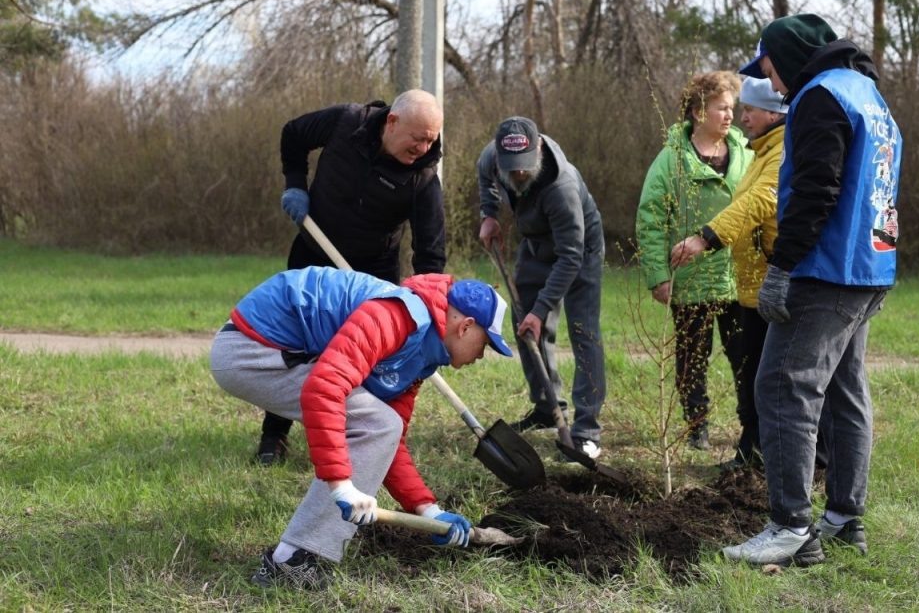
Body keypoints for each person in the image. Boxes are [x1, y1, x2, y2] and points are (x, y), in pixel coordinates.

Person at [723, 13, 902, 566]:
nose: (773, 86)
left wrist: (782, 264)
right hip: (870, 265)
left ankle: (790, 528)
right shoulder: (868, 94)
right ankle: (845, 520)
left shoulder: (820, 96)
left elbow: (815, 190)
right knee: (846, 392)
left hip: (826, 272)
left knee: (780, 387)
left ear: (792, 59)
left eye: (773, 71)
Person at [210, 266, 514, 590]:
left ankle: (297, 552)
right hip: (251, 348)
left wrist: (428, 510)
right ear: (466, 327)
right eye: (486, 344)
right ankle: (290, 560)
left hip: (282, 351)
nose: (482, 355)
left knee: (383, 424)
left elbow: (388, 438)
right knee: (376, 421)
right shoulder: (396, 317)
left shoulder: (419, 352)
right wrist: (341, 485)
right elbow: (323, 389)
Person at [257, 89, 446, 466]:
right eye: (418, 137)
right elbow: (293, 133)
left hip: (369, 275)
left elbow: (430, 253)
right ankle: (273, 436)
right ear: (392, 122)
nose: (424, 147)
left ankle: (359, 436)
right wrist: (295, 183)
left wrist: (426, 310)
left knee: (364, 359)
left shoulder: (422, 180)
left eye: (431, 139)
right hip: (312, 257)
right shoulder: (345, 122)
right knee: (296, 345)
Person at [670, 77, 787, 467]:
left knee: (764, 377)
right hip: (751, 285)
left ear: (772, 113)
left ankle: (779, 459)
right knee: (754, 372)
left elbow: (759, 201)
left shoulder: (780, 151)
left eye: (748, 110)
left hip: (769, 284)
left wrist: (706, 236)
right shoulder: (762, 149)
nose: (742, 118)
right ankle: (751, 454)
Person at [477, 116, 607, 460]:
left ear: (537, 150)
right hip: (535, 244)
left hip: (579, 252)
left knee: (583, 332)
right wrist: (489, 214)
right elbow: (485, 176)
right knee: (526, 330)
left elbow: (571, 257)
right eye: (511, 168)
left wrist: (541, 309)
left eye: (524, 168)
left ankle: (586, 431)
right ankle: (548, 408)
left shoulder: (560, 187)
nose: (518, 174)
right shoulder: (494, 157)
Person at [635, 71, 752, 450]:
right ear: (699, 112)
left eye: (732, 108)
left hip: (738, 278)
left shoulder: (747, 155)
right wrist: (658, 275)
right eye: (721, 108)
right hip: (690, 281)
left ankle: (752, 425)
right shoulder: (670, 162)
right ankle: (696, 425)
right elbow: (651, 220)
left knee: (747, 357)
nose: (730, 115)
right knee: (691, 360)